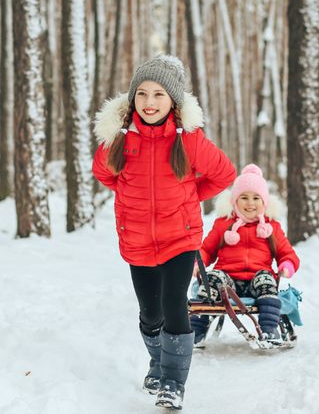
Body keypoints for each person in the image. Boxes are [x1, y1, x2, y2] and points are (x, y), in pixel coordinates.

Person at [92, 55, 235, 410]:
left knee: (175, 306)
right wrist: (131, 198)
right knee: (150, 313)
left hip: (180, 239)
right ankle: (157, 363)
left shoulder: (189, 140)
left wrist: (191, 196)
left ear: (173, 100)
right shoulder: (120, 140)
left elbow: (224, 175)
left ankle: (173, 383)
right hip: (137, 239)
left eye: (158, 94)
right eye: (142, 94)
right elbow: (104, 174)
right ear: (132, 99)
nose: (150, 102)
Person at [190, 164, 299, 346]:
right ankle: (196, 330)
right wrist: (196, 263)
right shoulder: (223, 224)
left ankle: (269, 330)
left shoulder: (272, 228)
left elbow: (287, 253)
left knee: (266, 279)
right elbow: (206, 250)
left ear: (264, 202)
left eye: (256, 198)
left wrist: (286, 265)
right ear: (234, 201)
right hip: (228, 283)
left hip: (257, 280)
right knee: (212, 278)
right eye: (244, 197)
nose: (250, 203)